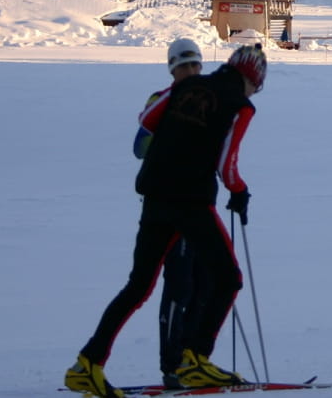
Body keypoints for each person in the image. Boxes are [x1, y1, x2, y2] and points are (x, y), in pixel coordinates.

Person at [66, 44, 266, 398]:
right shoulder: (240, 105)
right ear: (252, 79)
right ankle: (195, 358)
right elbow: (227, 163)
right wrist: (239, 192)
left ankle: (88, 364)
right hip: (191, 201)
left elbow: (147, 120)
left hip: (155, 197)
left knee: (138, 286)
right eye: (257, 86)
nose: (254, 92)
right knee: (228, 278)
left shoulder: (185, 86)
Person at [132, 38, 212, 390]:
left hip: (199, 205)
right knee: (178, 284)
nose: (192, 71)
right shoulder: (160, 100)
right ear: (172, 69)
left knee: (205, 283)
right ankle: (172, 364)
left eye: (196, 65)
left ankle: (194, 360)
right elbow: (139, 146)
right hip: (168, 206)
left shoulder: (208, 101)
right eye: (184, 66)